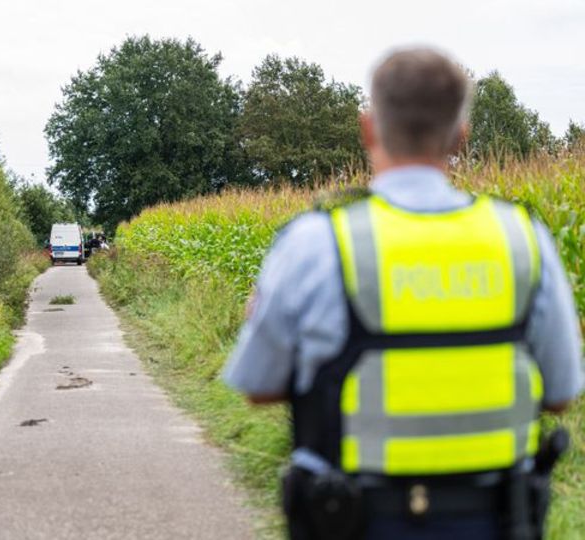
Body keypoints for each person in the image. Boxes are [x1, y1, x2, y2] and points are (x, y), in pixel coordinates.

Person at [223, 47, 583, 540]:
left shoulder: (317, 242)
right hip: (496, 519)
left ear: (368, 128)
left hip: (352, 520)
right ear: (462, 136)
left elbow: (258, 386)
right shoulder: (523, 238)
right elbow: (562, 393)